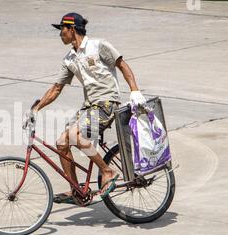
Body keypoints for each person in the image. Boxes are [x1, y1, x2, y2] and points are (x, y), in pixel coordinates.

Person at [27, 12, 146, 203]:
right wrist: (36, 108)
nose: (60, 34)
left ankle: (107, 171)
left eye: (62, 30)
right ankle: (76, 190)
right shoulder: (70, 59)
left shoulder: (99, 46)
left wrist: (135, 91)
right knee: (62, 143)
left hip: (107, 103)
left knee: (75, 136)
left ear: (72, 29)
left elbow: (122, 65)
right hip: (88, 107)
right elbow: (56, 88)